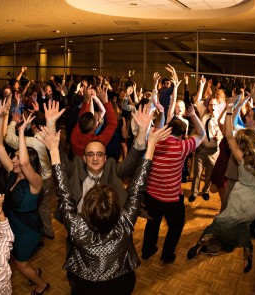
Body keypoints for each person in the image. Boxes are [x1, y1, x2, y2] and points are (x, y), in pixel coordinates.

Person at [38, 112, 171, 294]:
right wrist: (52, 127)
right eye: (90, 154)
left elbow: (63, 192)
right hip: (82, 251)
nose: (94, 158)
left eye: (99, 154)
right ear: (84, 158)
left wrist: (142, 133)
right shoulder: (125, 223)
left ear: (105, 157)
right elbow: (137, 189)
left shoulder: (112, 169)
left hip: (105, 258)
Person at [187, 99, 255, 273]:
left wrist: (229, 110)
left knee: (219, 223)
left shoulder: (243, 160)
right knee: (243, 225)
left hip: (241, 199)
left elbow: (228, 135)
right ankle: (247, 250)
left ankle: (203, 241)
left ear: (244, 146)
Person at [0, 97, 49, 294]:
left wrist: (20, 132)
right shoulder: (12, 171)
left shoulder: (35, 182)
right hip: (13, 225)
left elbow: (25, 164)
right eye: (14, 156)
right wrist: (1, 118)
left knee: (20, 262)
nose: (14, 160)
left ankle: (42, 285)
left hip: (27, 229)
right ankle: (34, 272)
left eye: (17, 156)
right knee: (21, 259)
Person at [141, 103, 205, 263]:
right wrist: (193, 115)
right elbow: (201, 133)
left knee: (152, 225)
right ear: (183, 135)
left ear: (168, 129)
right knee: (175, 228)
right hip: (171, 199)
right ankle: (167, 255)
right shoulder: (182, 147)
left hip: (151, 195)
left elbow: (157, 127)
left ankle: (147, 251)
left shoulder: (154, 141)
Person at [4, 110, 55, 239]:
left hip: (37, 180)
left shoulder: (32, 141)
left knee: (36, 207)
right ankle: (47, 231)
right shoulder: (49, 136)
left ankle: (41, 232)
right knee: (45, 206)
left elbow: (8, 139)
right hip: (49, 177)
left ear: (33, 126)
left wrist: (13, 123)